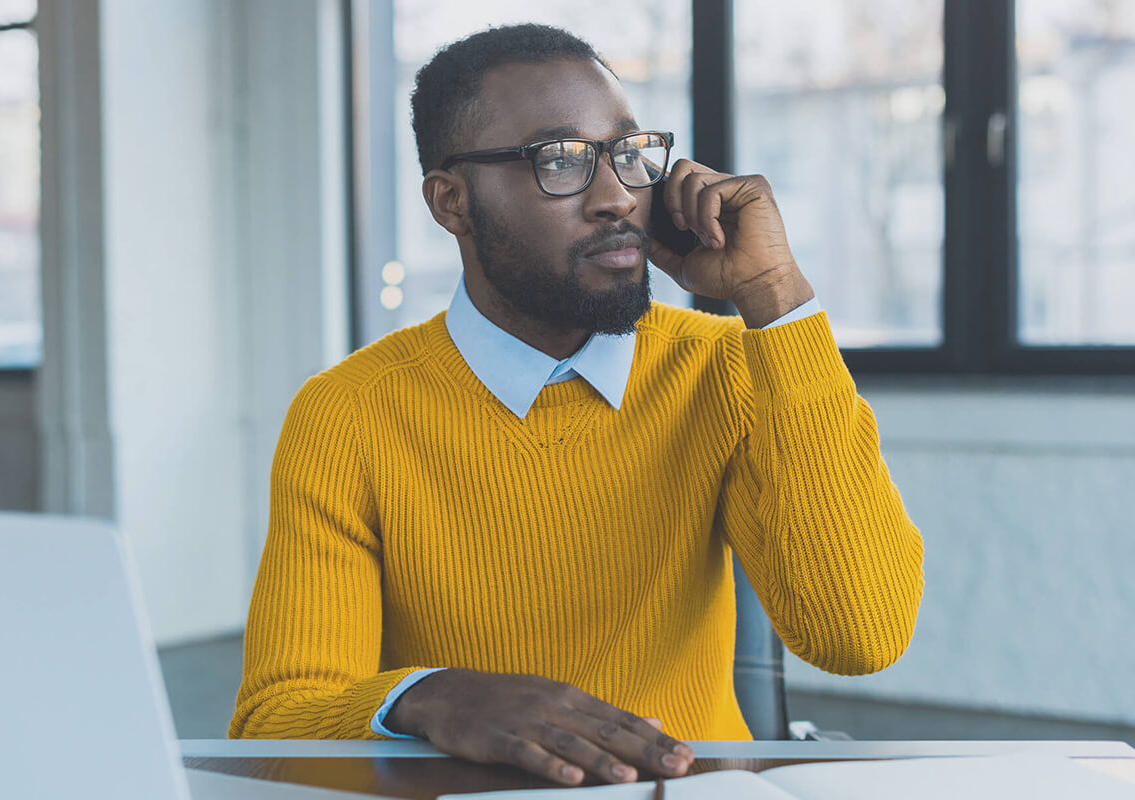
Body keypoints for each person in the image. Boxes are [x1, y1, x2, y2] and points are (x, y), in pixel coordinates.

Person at [230, 23, 925, 788]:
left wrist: (774, 299)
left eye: (627, 153)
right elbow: (274, 730)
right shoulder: (349, 414)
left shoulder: (722, 370)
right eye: (561, 160)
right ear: (452, 201)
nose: (618, 197)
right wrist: (431, 697)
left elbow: (862, 634)